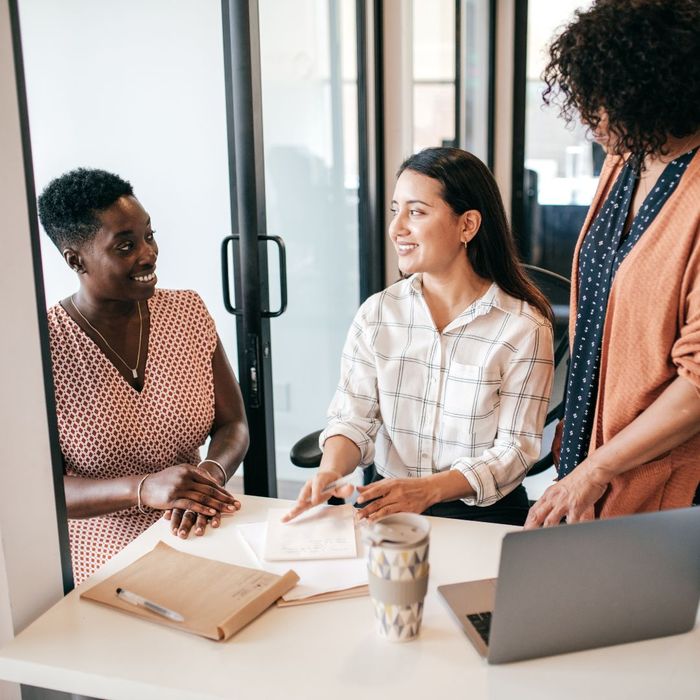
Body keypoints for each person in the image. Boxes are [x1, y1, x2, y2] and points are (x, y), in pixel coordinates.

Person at [285, 147, 554, 526]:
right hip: (385, 501)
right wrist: (330, 472)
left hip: (480, 513)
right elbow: (353, 419)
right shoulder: (377, 314)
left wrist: (428, 489)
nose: (397, 228)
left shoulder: (524, 326)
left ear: (468, 225)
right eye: (396, 210)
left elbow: (516, 450)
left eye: (417, 212)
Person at [525, 0, 700, 528]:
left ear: (651, 95)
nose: (587, 120)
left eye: (601, 105)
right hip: (593, 456)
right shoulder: (629, 157)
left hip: (664, 478)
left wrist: (596, 468)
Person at [38, 168, 249, 583]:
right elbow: (43, 489)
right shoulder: (44, 346)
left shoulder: (187, 312)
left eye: (149, 236)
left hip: (198, 529)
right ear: (75, 259)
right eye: (125, 246)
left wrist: (210, 475)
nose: (148, 254)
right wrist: (143, 488)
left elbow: (234, 424)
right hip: (102, 559)